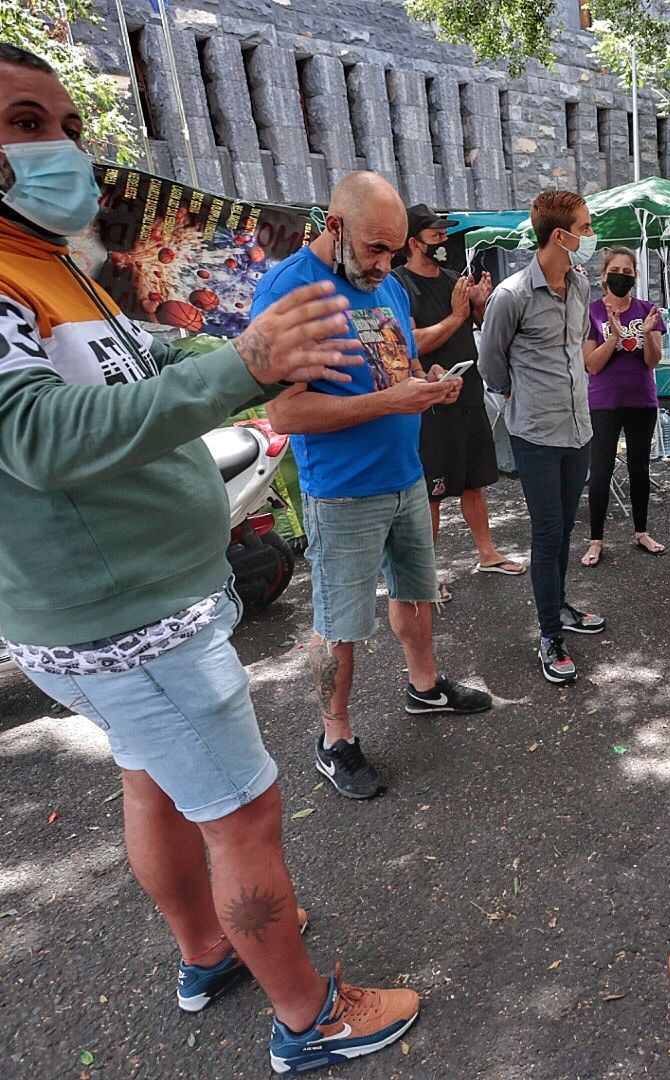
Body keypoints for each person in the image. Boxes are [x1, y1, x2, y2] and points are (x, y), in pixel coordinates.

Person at [0, 42, 420, 1072]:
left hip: (137, 602)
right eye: (27, 122)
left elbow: (136, 357)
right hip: (123, 617)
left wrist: (216, 354)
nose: (63, 146)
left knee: (156, 786)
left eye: (69, 124)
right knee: (244, 813)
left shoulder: (29, 254)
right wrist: (246, 366)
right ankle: (310, 1019)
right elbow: (40, 437)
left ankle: (207, 952)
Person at [258, 173, 491, 801]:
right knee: (339, 624)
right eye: (374, 249)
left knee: (416, 594)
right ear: (333, 226)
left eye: (394, 250)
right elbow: (285, 415)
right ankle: (334, 738)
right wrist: (393, 401)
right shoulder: (290, 290)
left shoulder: (385, 284)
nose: (385, 264)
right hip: (341, 489)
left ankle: (425, 687)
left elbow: (398, 359)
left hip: (404, 473)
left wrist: (429, 380)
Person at [478, 190, 606, 685]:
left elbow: (575, 352)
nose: (591, 236)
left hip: (579, 428)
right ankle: (550, 633)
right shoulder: (510, 296)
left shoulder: (580, 286)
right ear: (561, 235)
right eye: (586, 227)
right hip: (535, 433)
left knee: (564, 529)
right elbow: (492, 364)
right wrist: (516, 396)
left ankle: (560, 606)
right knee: (547, 531)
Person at [391, 203, 524, 584]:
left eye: (444, 233)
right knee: (431, 490)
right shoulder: (399, 285)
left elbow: (478, 324)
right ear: (414, 242)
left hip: (467, 391)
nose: (443, 240)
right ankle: (426, 575)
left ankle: (487, 552)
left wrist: (480, 305)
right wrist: (456, 316)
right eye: (435, 235)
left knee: (473, 479)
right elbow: (410, 342)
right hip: (428, 398)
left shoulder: (454, 279)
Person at [580, 246, 666, 566]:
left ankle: (641, 531)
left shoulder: (648, 309)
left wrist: (648, 335)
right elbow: (591, 365)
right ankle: (596, 540)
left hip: (641, 400)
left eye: (628, 273)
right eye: (616, 271)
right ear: (603, 276)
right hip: (603, 402)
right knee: (600, 471)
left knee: (639, 468)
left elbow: (653, 361)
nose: (622, 276)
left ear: (635, 278)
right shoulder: (591, 312)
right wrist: (614, 338)